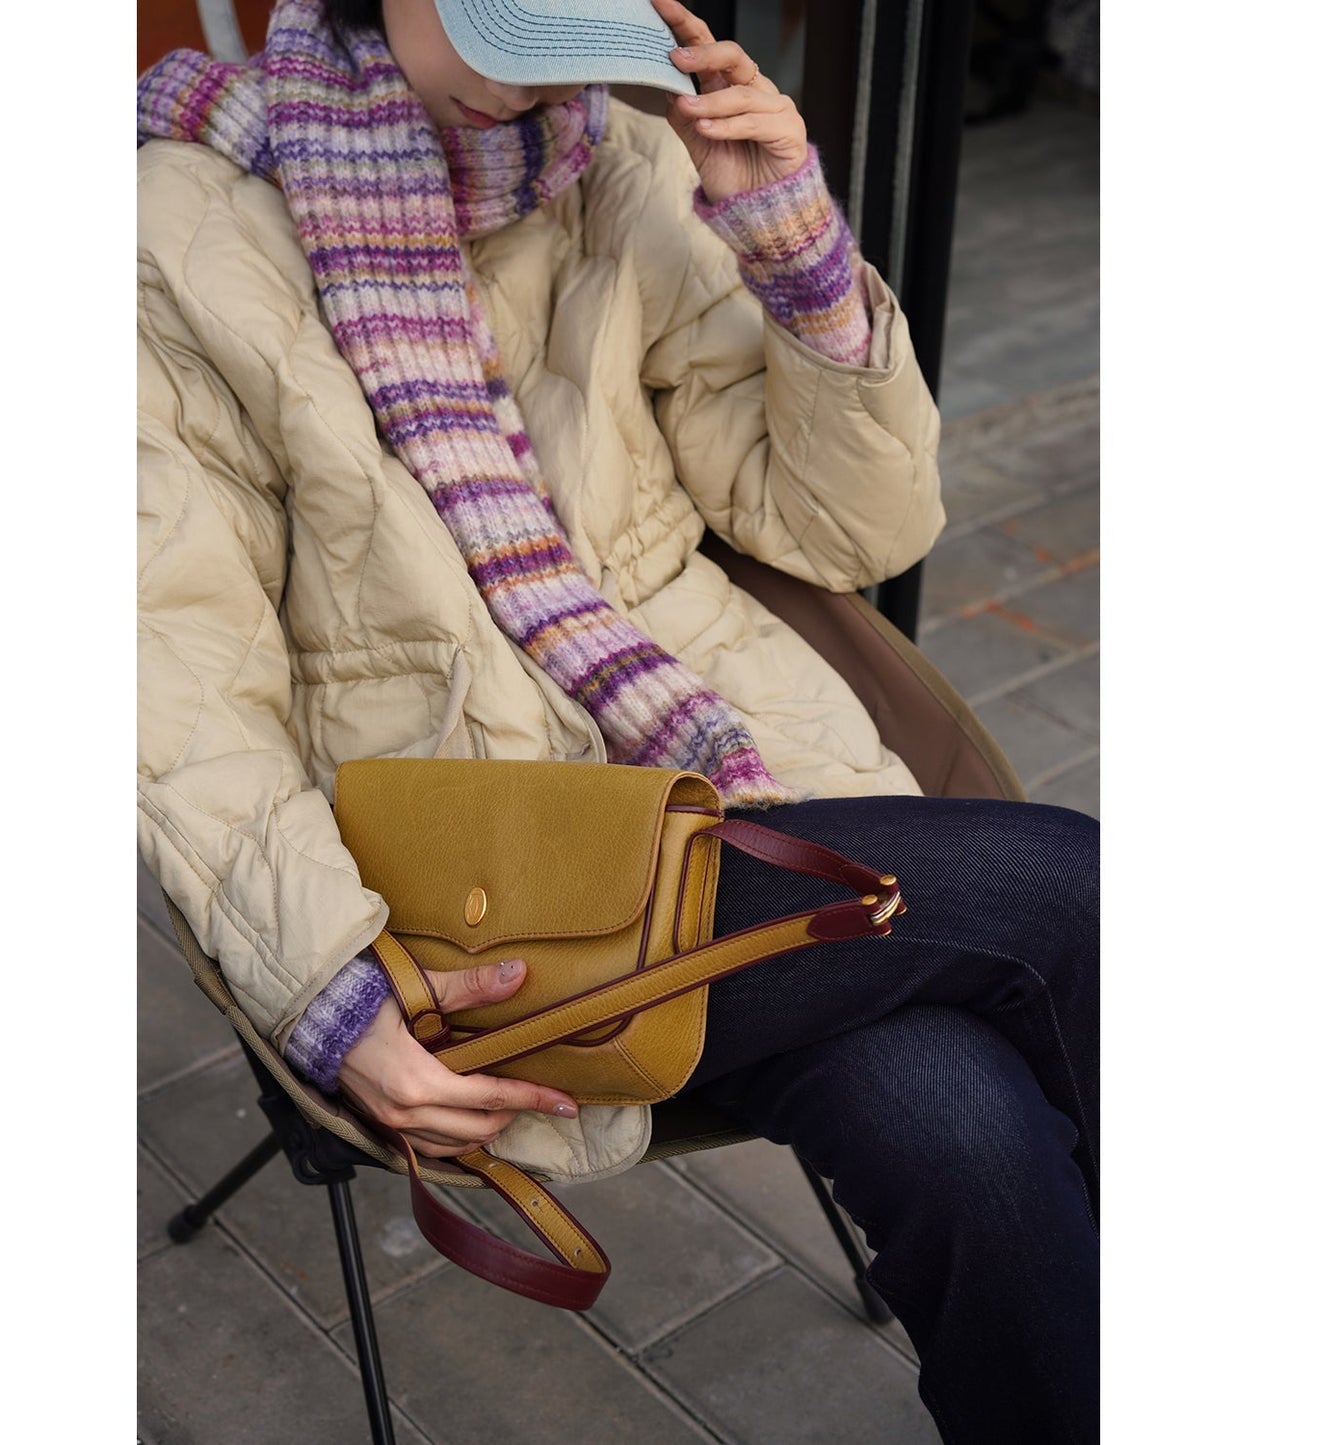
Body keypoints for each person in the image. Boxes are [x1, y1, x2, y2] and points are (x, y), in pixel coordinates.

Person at [137, 1, 1098, 1439]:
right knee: (1078, 893)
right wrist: (326, 988)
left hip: (733, 787)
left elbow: (843, 531)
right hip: (469, 900)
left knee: (948, 1115)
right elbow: (172, 670)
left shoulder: (618, 165)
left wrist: (793, 250)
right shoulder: (169, 235)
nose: (540, 68)